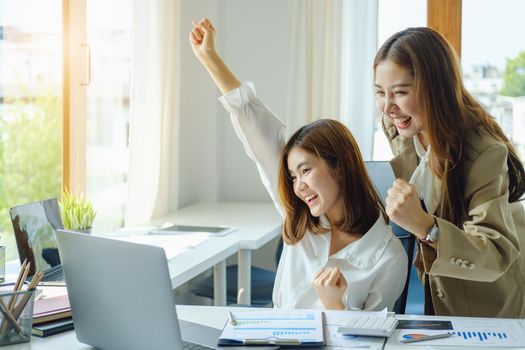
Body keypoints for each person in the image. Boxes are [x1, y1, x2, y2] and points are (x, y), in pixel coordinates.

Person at [190, 18, 408, 311]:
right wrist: (210, 58)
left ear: (339, 167)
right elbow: (260, 133)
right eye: (293, 176)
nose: (298, 186)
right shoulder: (302, 219)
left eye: (305, 170)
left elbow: (367, 341)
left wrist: (334, 304)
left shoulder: (388, 256)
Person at [374, 27, 525, 318]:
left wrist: (425, 227)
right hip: (433, 299)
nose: (388, 106)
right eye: (380, 92)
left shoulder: (483, 151)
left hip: (489, 304)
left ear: (435, 88)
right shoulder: (400, 125)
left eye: (400, 93)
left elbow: (494, 252)